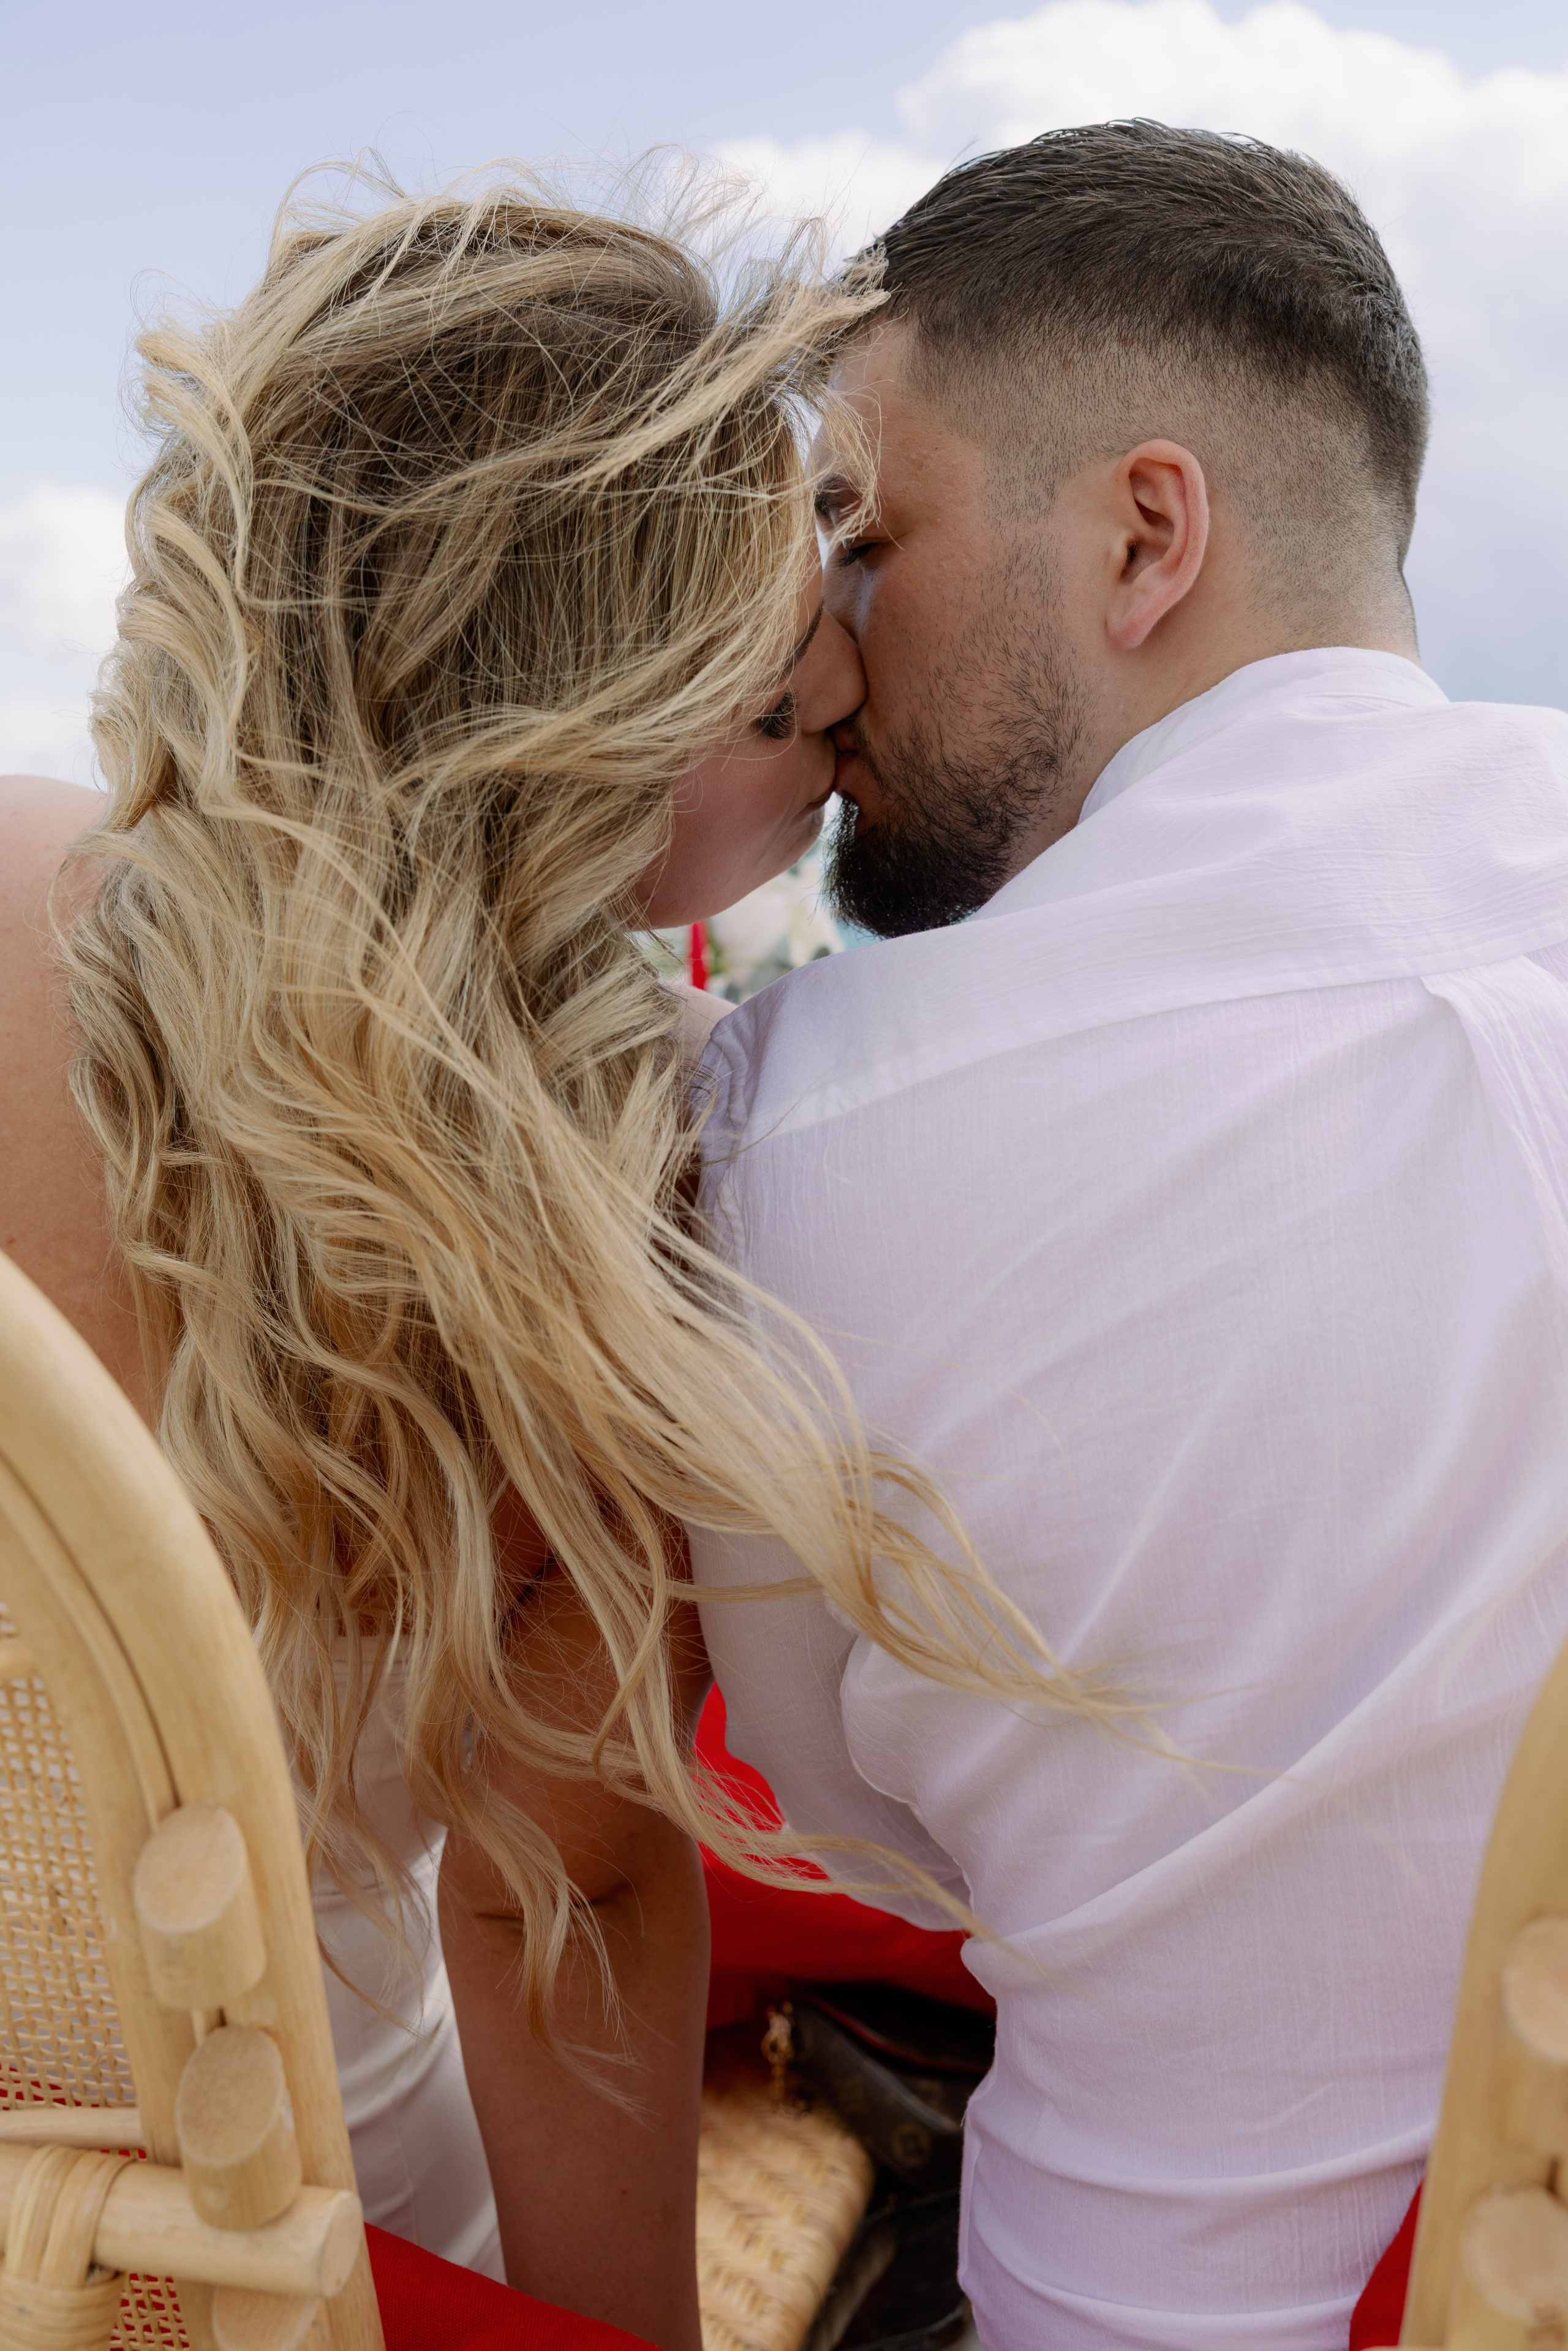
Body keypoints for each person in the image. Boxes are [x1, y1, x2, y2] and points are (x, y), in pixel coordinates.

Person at [0, 170, 1088, 2351]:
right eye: (789, 710)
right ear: (571, 757)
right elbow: (555, 1898)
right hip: (231, 2176)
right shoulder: (590, 1174)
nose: (851, 719)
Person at [688, 122, 1568, 2350]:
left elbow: (838, 1820)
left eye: (868, 535)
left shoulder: (807, 1118)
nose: (831, 641)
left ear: (1146, 536)